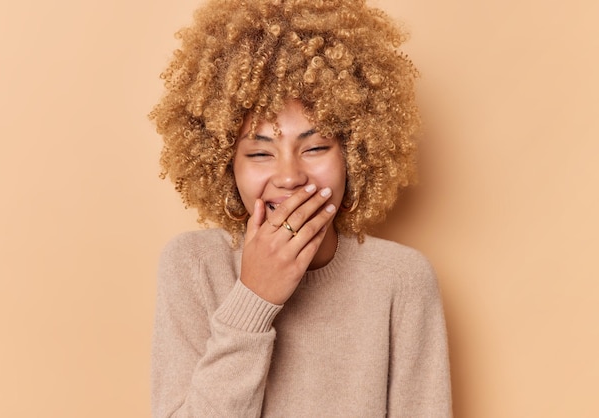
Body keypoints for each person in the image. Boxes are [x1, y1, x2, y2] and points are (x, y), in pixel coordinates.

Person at [149, 0, 452, 416]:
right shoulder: (193, 266)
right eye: (259, 154)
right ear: (223, 164)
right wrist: (254, 300)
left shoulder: (401, 281)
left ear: (355, 154)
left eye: (315, 147)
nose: (290, 177)